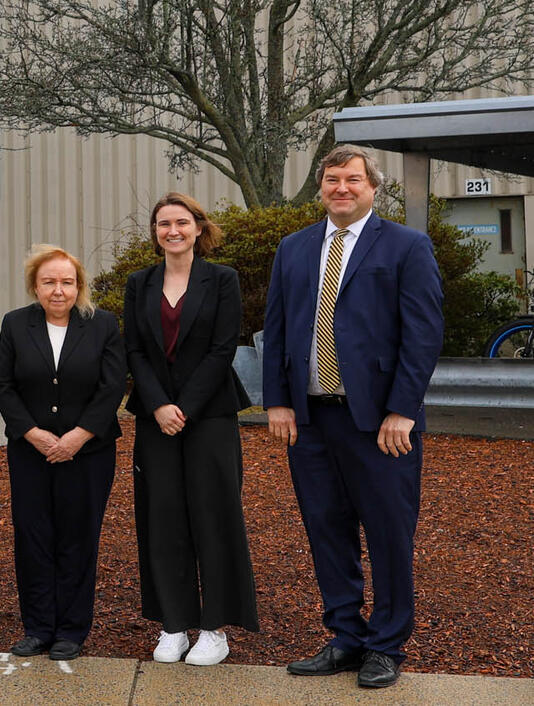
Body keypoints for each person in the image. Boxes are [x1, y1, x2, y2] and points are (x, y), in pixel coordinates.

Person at [263, 144, 443, 690]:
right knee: (327, 530)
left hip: (380, 425)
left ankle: (385, 646)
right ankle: (344, 636)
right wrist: (277, 399)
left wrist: (401, 411)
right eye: (332, 179)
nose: (342, 188)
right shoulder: (293, 249)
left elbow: (423, 335)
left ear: (372, 188)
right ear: (321, 187)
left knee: (389, 534)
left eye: (353, 180)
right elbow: (277, 329)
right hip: (311, 420)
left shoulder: (406, 246)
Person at [123, 193, 259, 667]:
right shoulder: (138, 283)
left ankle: (215, 629)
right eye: (164, 223)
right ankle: (174, 624)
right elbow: (135, 351)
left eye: (182, 222)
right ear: (155, 231)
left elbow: (224, 349)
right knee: (161, 520)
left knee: (213, 517)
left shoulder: (222, 280)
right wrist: (160, 406)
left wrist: (185, 407)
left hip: (211, 416)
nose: (172, 230)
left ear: (198, 228)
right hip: (154, 418)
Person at [0, 243, 125, 662]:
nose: (58, 290)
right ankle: (38, 628)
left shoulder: (101, 324)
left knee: (77, 539)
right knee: (33, 538)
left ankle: (70, 630)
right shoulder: (16, 324)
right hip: (31, 453)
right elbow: (3, 385)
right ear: (35, 285)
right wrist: (32, 433)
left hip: (87, 454)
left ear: (79, 286)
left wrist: (77, 436)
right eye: (49, 282)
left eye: (67, 282)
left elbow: (112, 385)